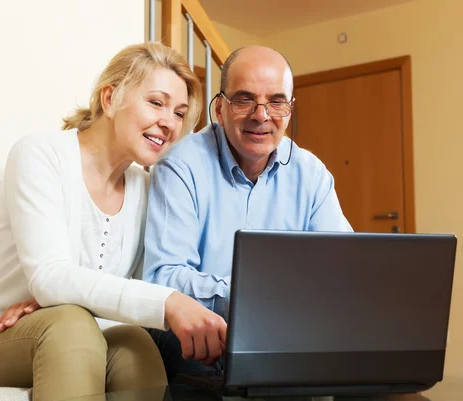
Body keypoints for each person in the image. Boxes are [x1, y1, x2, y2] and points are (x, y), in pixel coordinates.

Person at [0, 42, 226, 401]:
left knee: (134, 344)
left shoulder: (146, 189)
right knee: (70, 325)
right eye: (156, 103)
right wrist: (169, 302)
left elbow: (116, 289)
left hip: (68, 332)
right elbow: (50, 277)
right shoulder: (39, 155)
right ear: (110, 98)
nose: (168, 122)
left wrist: (62, 299)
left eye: (179, 113)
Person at [142, 46, 353, 380]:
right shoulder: (181, 166)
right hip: (206, 338)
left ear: (290, 108)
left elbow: (343, 267)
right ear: (221, 108)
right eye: (244, 99)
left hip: (288, 336)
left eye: (276, 101)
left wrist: (284, 303)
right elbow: (164, 277)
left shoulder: (310, 173)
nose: (261, 115)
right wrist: (258, 296)